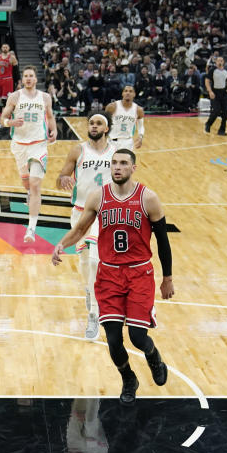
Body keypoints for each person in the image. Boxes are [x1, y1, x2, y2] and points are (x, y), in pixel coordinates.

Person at [51, 149, 174, 404]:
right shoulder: (99, 197)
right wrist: (62, 244)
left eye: (123, 163)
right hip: (108, 274)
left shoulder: (148, 198)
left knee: (138, 338)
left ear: (133, 168)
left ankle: (153, 356)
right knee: (115, 340)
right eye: (114, 163)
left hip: (140, 272)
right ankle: (128, 378)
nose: (117, 167)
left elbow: (163, 242)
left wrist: (167, 278)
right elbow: (81, 228)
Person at [56, 112, 114, 341]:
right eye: (91, 122)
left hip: (105, 212)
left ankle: (93, 314)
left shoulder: (115, 152)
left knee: (94, 259)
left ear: (106, 128)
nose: (94, 126)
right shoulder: (77, 151)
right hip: (80, 211)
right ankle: (90, 292)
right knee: (84, 259)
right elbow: (61, 175)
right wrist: (63, 180)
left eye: (98, 123)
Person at [0, 66, 58, 243]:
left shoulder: (45, 97)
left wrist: (53, 130)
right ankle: (28, 192)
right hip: (19, 145)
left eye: (31, 76)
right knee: (26, 181)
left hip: (39, 145)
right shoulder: (15, 96)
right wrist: (10, 122)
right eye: (25, 76)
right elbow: (3, 119)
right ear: (22, 79)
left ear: (36, 79)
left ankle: (31, 229)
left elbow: (50, 116)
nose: (28, 78)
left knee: (35, 185)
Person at [105, 85, 145, 150]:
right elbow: (104, 123)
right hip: (112, 141)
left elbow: (141, 126)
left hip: (128, 142)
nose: (128, 93)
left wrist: (140, 137)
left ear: (134, 94)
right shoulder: (112, 106)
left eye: (130, 91)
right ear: (122, 93)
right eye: (125, 91)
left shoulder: (138, 110)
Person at [204, 56, 227, 135]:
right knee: (216, 110)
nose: (220, 62)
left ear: (223, 62)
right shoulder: (212, 70)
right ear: (216, 62)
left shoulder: (226, 71)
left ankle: (221, 130)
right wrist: (210, 91)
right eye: (218, 60)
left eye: (221, 60)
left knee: (225, 113)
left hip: (224, 92)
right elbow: (207, 81)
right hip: (215, 92)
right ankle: (208, 124)